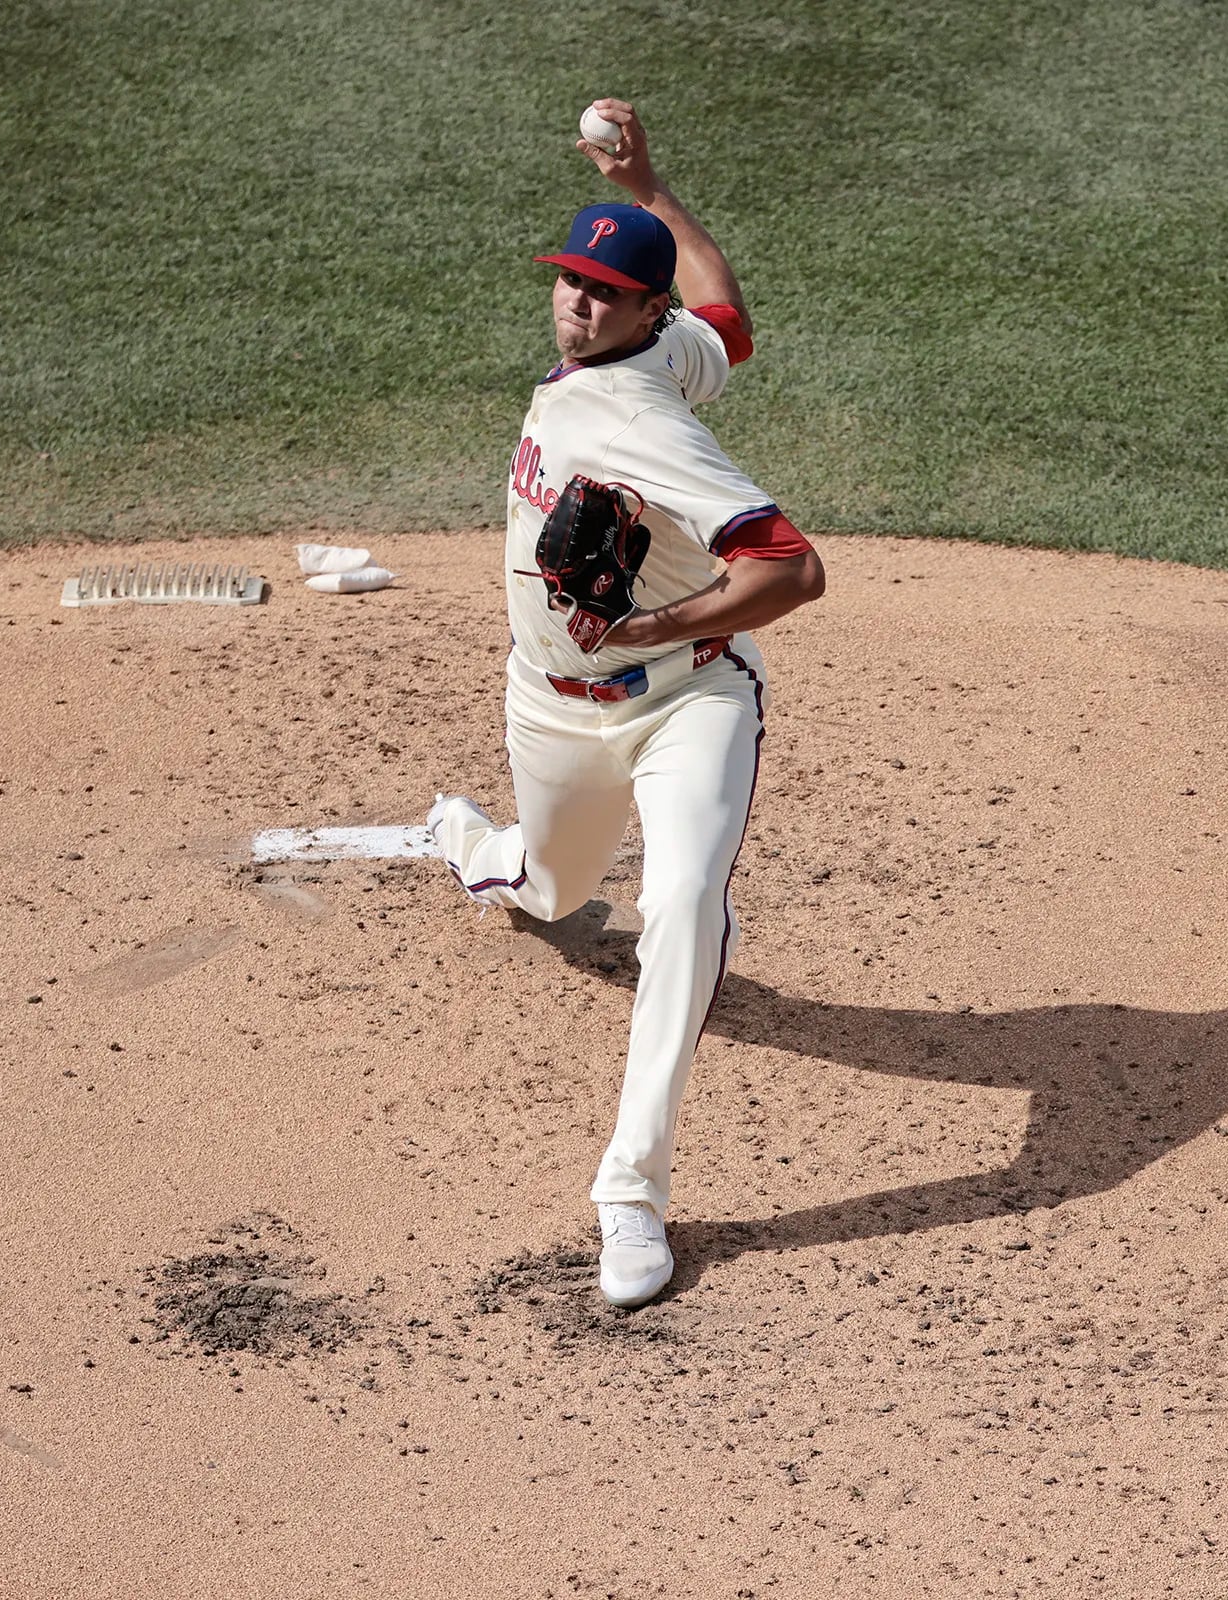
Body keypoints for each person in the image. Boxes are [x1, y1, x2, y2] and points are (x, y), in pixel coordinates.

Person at [427, 99, 825, 1308]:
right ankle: (491, 855)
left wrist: (647, 625)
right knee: (550, 886)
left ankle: (630, 1192)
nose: (578, 305)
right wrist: (651, 187)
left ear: (635, 311)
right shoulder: (658, 348)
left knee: (682, 900)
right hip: (550, 711)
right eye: (570, 282)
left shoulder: (641, 416)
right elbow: (731, 319)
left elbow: (791, 568)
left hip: (686, 701)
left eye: (604, 291)